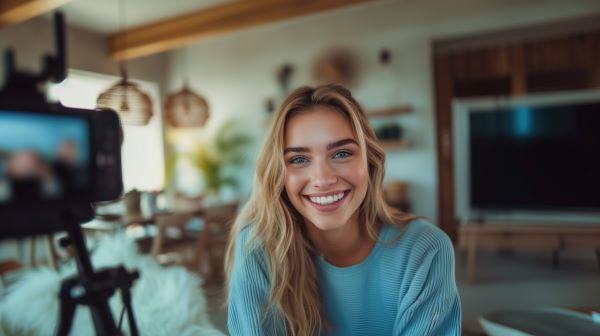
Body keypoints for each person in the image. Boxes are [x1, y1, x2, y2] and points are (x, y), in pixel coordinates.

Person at [225, 84, 461, 336]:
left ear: (370, 162)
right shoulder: (259, 245)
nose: (322, 179)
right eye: (299, 159)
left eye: (341, 153)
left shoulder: (425, 248)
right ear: (278, 174)